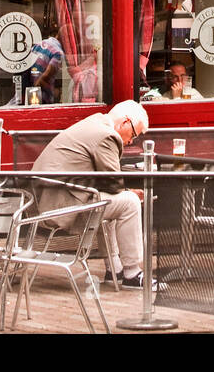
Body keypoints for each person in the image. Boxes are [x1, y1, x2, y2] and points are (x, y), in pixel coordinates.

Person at [32, 100, 164, 290]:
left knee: (110, 204)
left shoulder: (95, 122)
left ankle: (114, 270)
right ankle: (132, 272)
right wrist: (130, 192)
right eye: (134, 134)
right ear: (125, 122)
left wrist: (122, 190)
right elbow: (113, 182)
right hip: (62, 205)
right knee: (130, 202)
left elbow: (107, 183)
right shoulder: (107, 135)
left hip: (48, 200)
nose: (131, 141)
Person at [27, 22, 65, 104]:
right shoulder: (58, 53)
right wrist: (55, 93)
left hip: (28, 95)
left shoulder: (39, 44)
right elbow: (43, 79)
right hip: (40, 99)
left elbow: (27, 65)